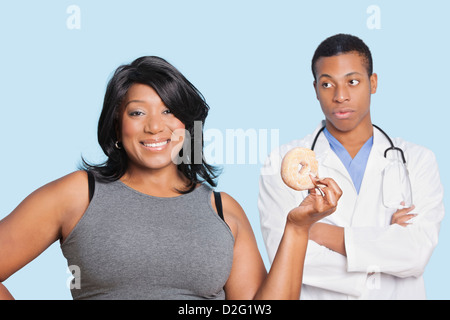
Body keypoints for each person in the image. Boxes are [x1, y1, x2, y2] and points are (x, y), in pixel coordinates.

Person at [0, 56, 342, 300]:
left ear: (187, 126)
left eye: (169, 111)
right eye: (137, 113)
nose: (155, 126)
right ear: (117, 125)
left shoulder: (224, 210)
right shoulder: (77, 195)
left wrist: (298, 227)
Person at [258, 34, 445, 299]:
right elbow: (289, 261)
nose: (340, 96)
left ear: (373, 83)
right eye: (327, 84)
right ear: (315, 89)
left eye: (353, 81)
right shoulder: (281, 163)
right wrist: (386, 243)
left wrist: (317, 231)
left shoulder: (417, 160)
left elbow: (415, 254)